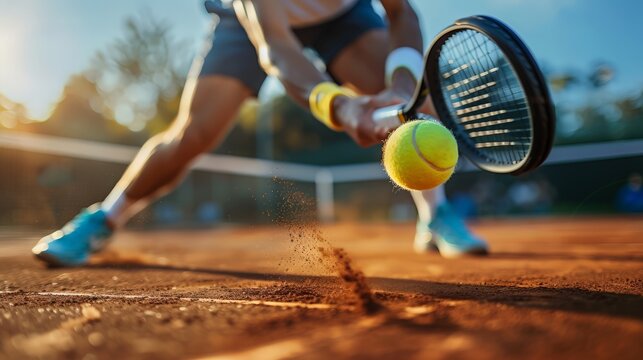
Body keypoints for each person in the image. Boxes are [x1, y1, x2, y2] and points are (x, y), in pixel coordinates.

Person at [32, 0, 488, 267]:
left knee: (417, 107)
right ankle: (103, 219)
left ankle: (435, 217)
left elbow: (400, 12)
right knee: (193, 133)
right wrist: (339, 106)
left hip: (344, 14)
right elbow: (277, 50)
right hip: (247, 21)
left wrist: (403, 86)